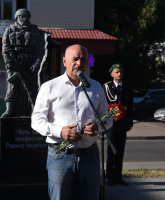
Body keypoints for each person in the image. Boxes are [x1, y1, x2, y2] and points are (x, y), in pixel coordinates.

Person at [31, 44, 112, 200]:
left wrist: (99, 127)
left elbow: (108, 117)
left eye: (82, 60)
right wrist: (59, 131)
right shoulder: (49, 87)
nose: (79, 63)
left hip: (90, 156)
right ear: (64, 61)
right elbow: (36, 120)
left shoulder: (95, 87)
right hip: (60, 156)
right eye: (75, 59)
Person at [1, 8, 49, 117]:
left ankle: (35, 111)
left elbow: (39, 49)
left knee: (32, 87)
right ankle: (9, 109)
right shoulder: (10, 30)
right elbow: (6, 49)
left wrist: (37, 63)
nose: (24, 19)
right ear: (17, 17)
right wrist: (9, 63)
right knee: (13, 86)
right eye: (21, 16)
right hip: (15, 63)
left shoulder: (35, 31)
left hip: (30, 63)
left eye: (26, 16)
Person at [103, 64, 133, 186]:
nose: (119, 74)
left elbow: (130, 106)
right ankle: (109, 177)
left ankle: (118, 177)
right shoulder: (106, 87)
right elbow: (104, 106)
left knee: (120, 151)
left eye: (120, 72)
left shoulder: (127, 86)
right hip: (111, 123)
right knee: (111, 152)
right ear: (112, 74)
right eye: (117, 72)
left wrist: (130, 123)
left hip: (123, 123)